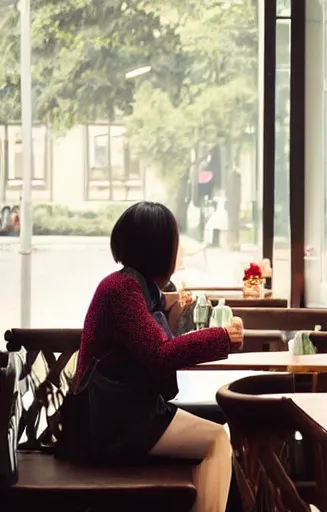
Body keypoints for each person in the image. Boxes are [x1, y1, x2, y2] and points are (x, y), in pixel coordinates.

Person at [75, 201, 243, 512]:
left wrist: (171, 306)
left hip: (121, 414)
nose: (178, 255)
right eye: (175, 244)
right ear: (159, 248)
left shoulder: (132, 286)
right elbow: (158, 354)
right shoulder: (123, 289)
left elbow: (151, 339)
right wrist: (223, 337)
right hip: (114, 424)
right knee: (217, 439)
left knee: (222, 426)